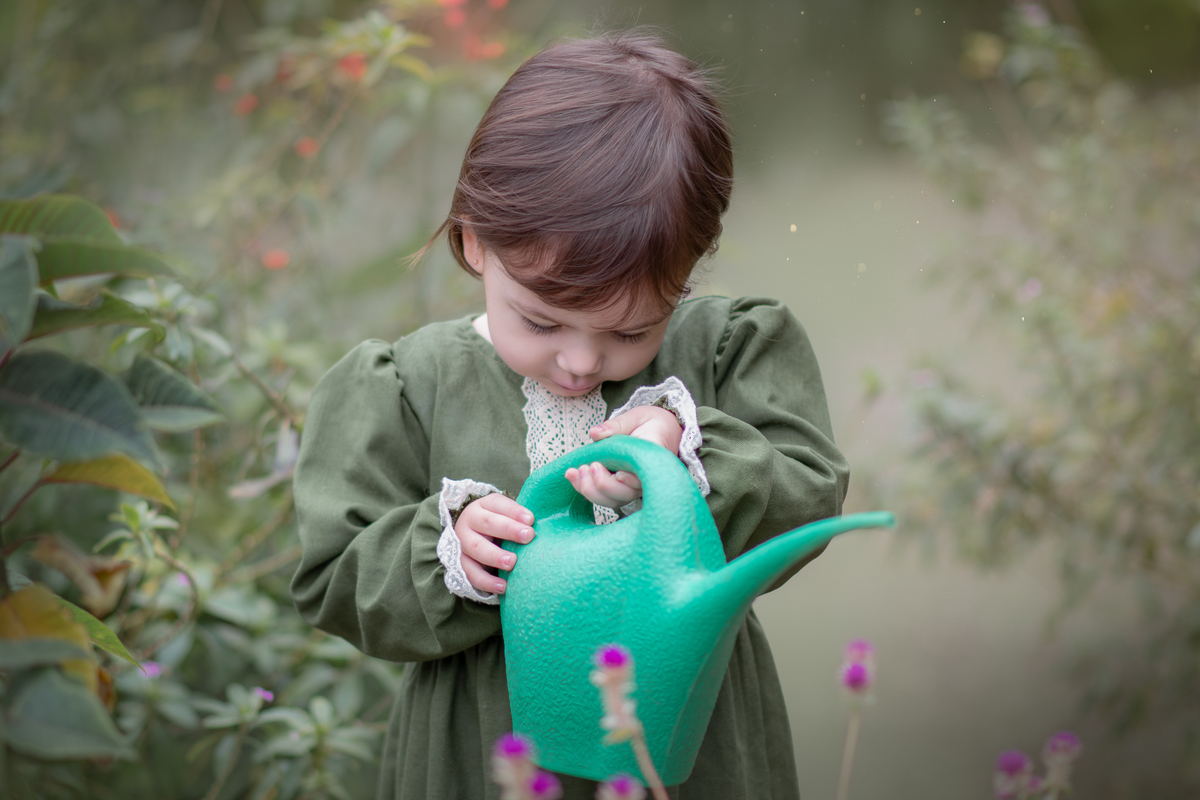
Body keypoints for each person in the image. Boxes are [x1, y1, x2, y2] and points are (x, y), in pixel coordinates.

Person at [291, 30, 849, 800]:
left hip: (692, 748)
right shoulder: (407, 388)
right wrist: (449, 549)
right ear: (474, 241)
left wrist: (685, 459)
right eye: (544, 322)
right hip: (483, 752)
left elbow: (806, 499)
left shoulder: (726, 352)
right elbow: (335, 577)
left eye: (632, 331)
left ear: (686, 274)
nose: (584, 362)